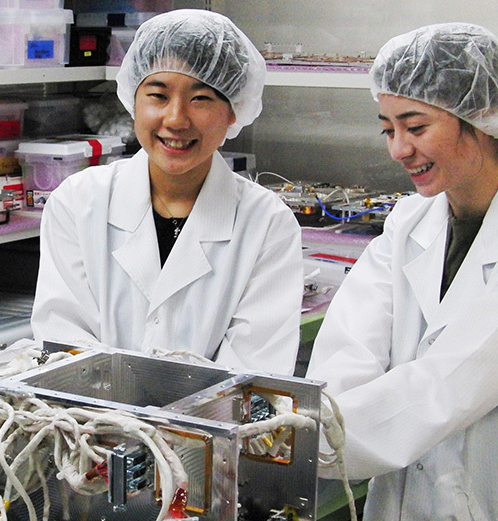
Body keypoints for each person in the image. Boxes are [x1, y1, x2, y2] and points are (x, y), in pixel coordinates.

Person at [309, 23, 498, 521]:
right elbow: (352, 344)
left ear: (485, 117)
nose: (399, 149)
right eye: (387, 128)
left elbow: (448, 385)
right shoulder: (410, 222)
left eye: (416, 126)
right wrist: (314, 421)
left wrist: (302, 442)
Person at [31, 9, 304, 374]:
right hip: (88, 426)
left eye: (201, 99)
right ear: (133, 100)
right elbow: (64, 346)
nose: (176, 119)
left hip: (214, 428)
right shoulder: (78, 202)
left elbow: (254, 375)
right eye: (158, 95)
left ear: (233, 110)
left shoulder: (267, 224)